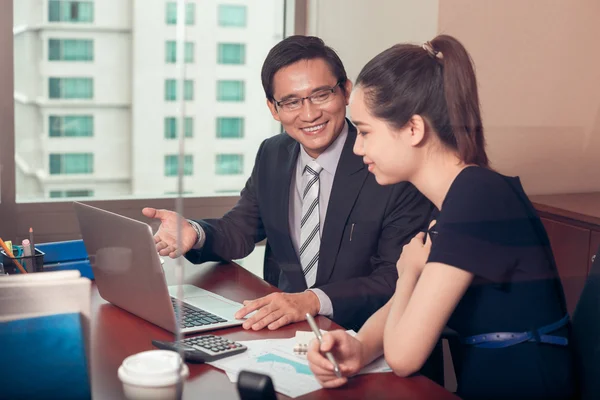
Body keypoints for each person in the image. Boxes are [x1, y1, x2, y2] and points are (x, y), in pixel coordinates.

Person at [307, 35, 575, 399]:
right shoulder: (462, 195)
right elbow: (414, 306)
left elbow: (404, 357)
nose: (357, 148)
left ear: (414, 129)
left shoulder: (477, 196)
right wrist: (358, 348)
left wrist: (409, 272)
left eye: (365, 132)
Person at [142, 35, 432, 332]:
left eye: (321, 95)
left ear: (346, 91)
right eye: (291, 101)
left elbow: (395, 277)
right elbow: (240, 229)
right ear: (273, 108)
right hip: (289, 335)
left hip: (366, 337)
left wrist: (311, 301)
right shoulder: (273, 153)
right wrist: (194, 232)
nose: (309, 114)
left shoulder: (390, 164)